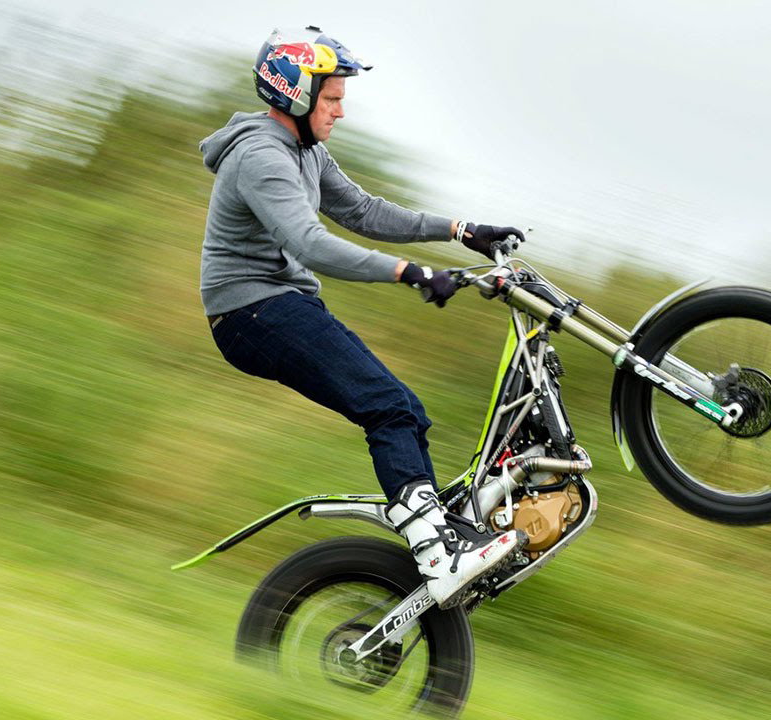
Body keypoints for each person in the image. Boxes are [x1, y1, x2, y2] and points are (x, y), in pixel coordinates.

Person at [198, 27, 526, 608]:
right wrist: (411, 273)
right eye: (332, 99)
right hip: (252, 310)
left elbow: (364, 211)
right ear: (294, 96)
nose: (341, 111)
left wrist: (460, 230)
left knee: (407, 413)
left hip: (279, 304)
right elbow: (310, 243)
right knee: (387, 406)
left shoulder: (306, 152)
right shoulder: (260, 156)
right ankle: (434, 551)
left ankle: (438, 542)